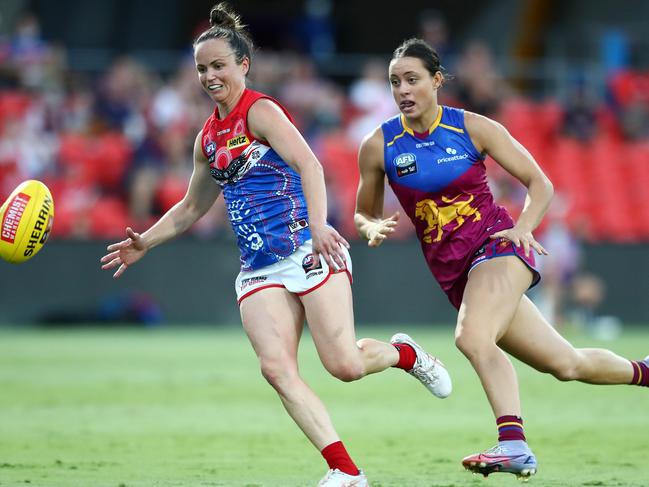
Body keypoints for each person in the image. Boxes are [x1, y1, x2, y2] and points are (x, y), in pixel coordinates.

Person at [100, 7, 452, 487]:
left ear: (243, 65)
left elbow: (310, 165)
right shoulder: (207, 137)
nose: (210, 76)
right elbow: (189, 207)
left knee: (344, 366)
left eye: (219, 65)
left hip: (307, 249)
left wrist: (320, 226)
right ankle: (345, 471)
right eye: (202, 68)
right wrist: (147, 242)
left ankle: (405, 355)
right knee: (276, 369)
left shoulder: (262, 111)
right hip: (259, 268)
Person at [354, 37, 649, 480]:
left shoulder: (473, 128)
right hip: (456, 275)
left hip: (498, 248)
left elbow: (540, 183)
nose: (403, 90)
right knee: (567, 364)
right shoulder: (379, 146)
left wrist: (525, 227)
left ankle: (514, 445)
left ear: (437, 81)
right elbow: (364, 210)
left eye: (412, 79)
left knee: (471, 339)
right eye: (395, 82)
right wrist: (369, 225)